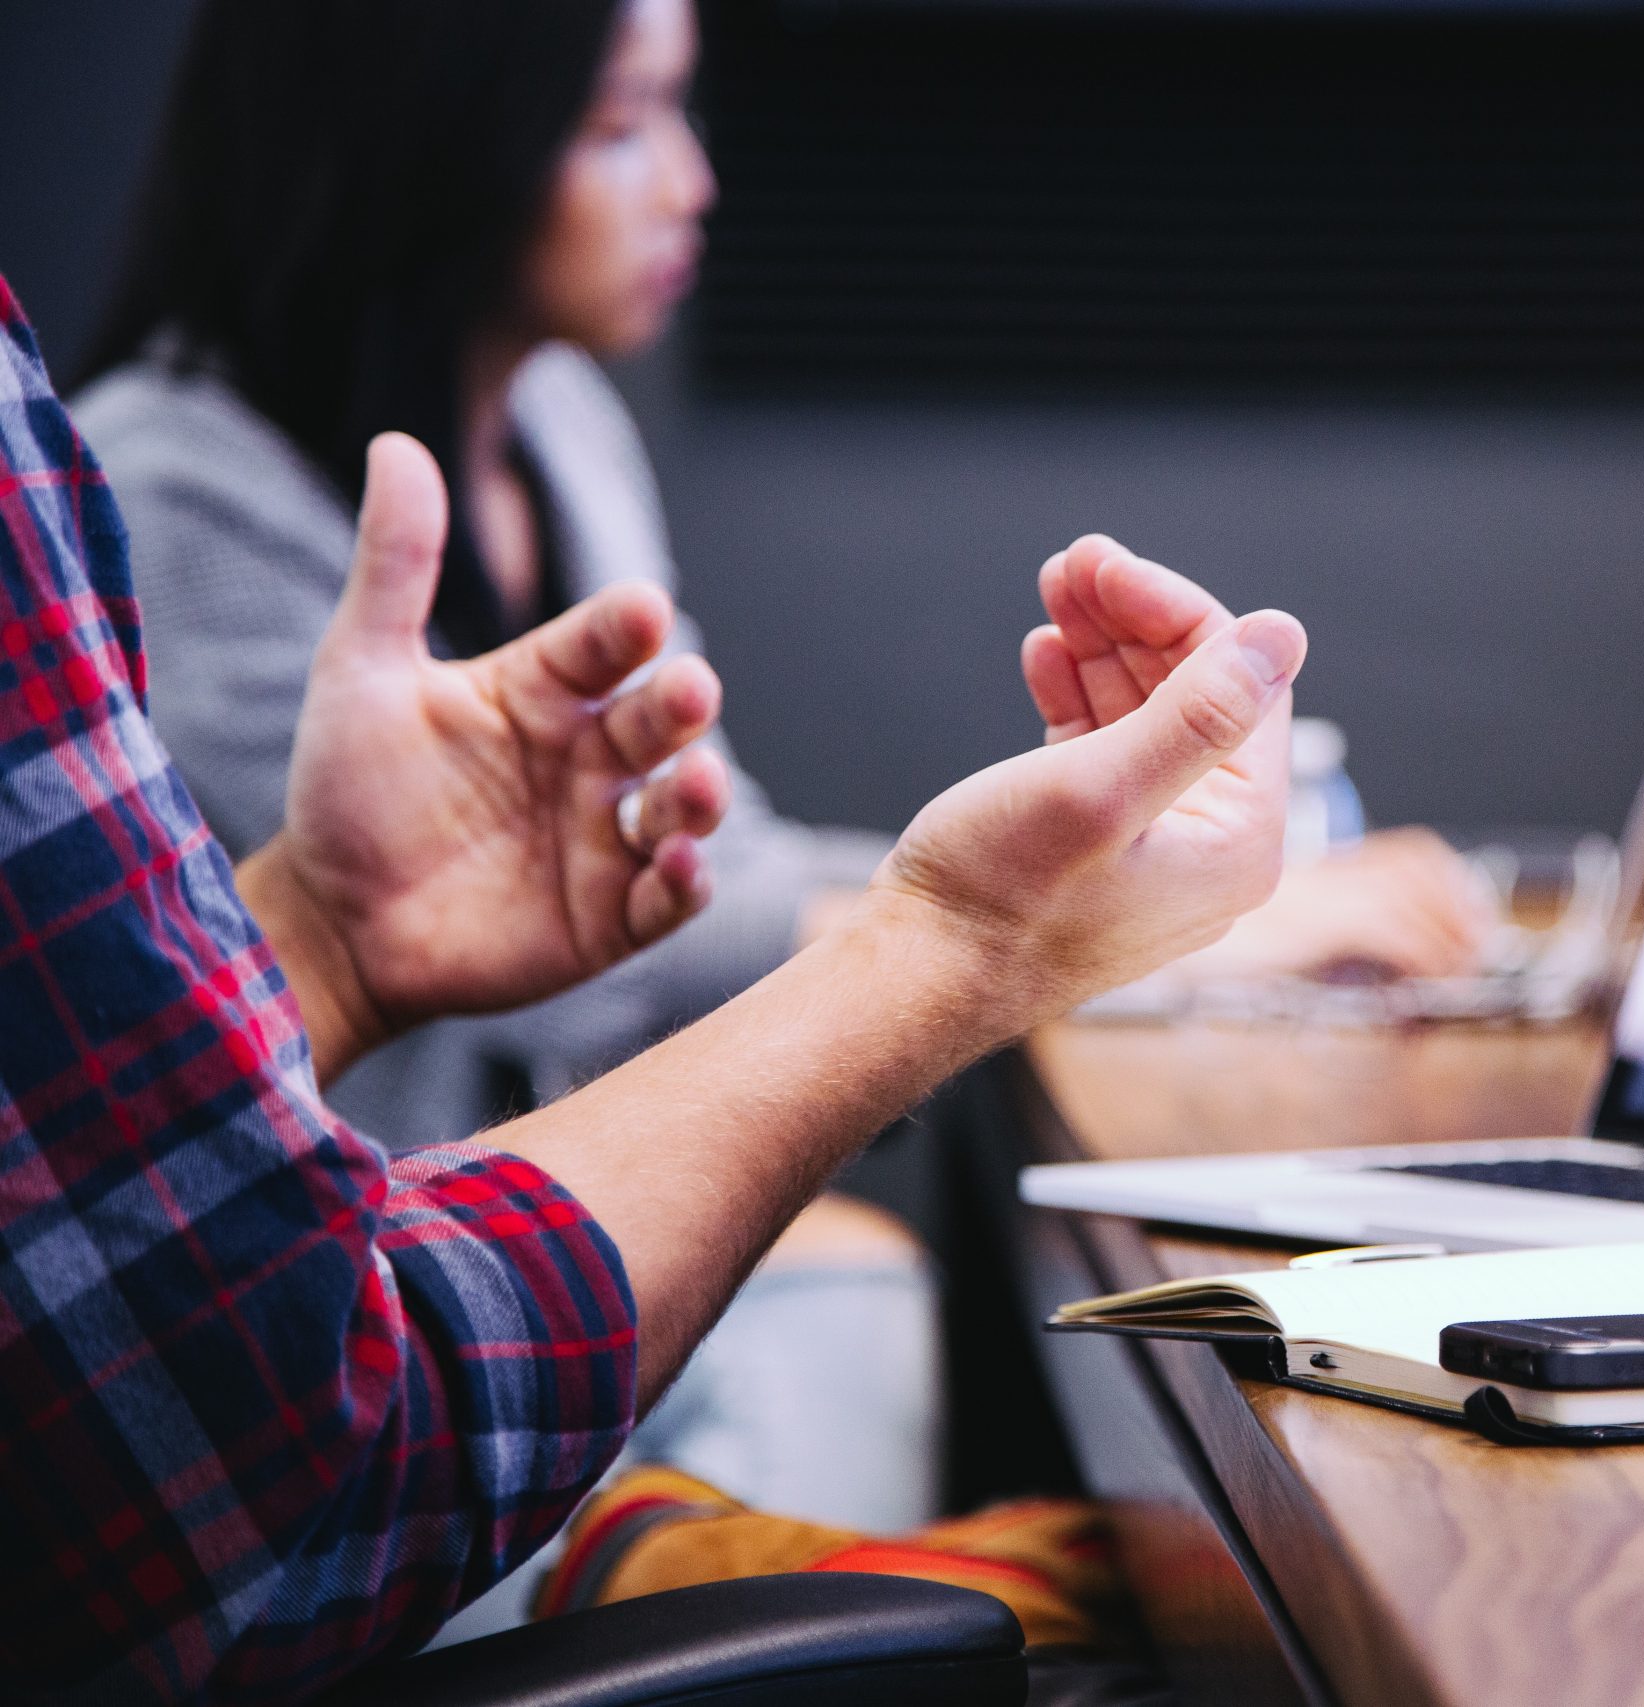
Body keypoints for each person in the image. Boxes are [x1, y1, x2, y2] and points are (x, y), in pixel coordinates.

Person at [0, 264, 1308, 1700]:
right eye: (625, 118)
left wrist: (319, 939)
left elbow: (73, 1169)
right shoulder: (154, 469)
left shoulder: (561, 419)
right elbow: (284, 1452)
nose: (690, 177)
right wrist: (956, 947)